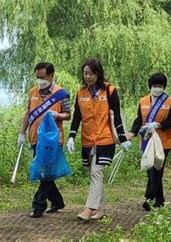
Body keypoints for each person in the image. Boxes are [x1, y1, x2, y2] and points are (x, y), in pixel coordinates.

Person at [67, 58, 131, 221]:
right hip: (88, 140)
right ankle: (101, 209)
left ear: (98, 74)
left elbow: (116, 116)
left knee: (97, 172)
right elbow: (77, 117)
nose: (88, 77)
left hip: (105, 139)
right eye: (85, 73)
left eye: (91, 73)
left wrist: (123, 138)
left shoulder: (109, 90)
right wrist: (71, 136)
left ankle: (88, 209)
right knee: (94, 174)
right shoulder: (80, 93)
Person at [18, 62, 71, 218]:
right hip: (35, 138)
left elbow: (68, 114)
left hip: (52, 140)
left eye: (42, 77)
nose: (39, 80)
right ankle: (57, 201)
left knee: (45, 172)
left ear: (50, 76)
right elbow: (28, 113)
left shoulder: (61, 94)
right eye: (37, 77)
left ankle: (38, 205)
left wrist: (58, 115)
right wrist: (22, 133)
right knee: (45, 172)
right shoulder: (33, 91)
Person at [127, 72, 171, 211]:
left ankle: (149, 198)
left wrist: (158, 125)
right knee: (150, 170)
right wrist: (131, 133)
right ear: (150, 86)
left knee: (157, 171)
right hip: (146, 141)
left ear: (164, 87)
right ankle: (159, 200)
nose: (157, 88)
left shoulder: (170, 101)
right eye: (155, 86)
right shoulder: (143, 101)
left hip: (163, 142)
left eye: (160, 86)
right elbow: (139, 120)